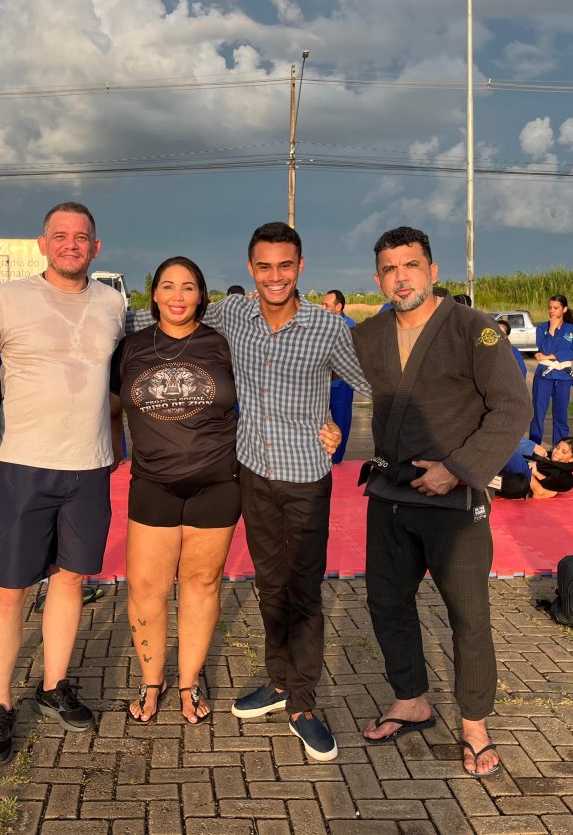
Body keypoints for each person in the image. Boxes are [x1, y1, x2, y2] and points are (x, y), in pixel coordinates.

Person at [351, 226, 531, 778]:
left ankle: (474, 724)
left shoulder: (472, 329)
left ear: (432, 271)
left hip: (454, 499)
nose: (400, 277)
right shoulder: (369, 335)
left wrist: (456, 470)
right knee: (386, 602)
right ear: (378, 279)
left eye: (411, 265)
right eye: (389, 268)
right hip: (390, 492)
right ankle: (411, 700)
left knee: (468, 614)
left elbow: (512, 409)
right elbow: (313, 377)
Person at [201, 222, 369, 763]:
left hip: (305, 478)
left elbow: (371, 383)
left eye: (285, 265)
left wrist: (340, 428)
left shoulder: (328, 327)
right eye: (265, 266)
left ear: (301, 267)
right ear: (251, 269)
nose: (275, 276)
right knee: (270, 585)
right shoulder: (232, 315)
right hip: (253, 471)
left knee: (303, 590)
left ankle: (302, 703)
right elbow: (175, 318)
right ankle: (278, 681)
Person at [0, 201, 124, 765]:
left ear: (96, 247)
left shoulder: (113, 303)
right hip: (23, 465)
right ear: (42, 244)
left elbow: (120, 381)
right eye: (59, 236)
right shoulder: (8, 299)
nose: (70, 245)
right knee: (10, 589)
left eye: (80, 237)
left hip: (89, 467)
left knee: (70, 581)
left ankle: (54, 686)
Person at [110, 257, 240, 725]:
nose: (178, 296)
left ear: (201, 295)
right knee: (147, 587)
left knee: (202, 583)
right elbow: (109, 404)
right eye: (168, 286)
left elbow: (268, 393)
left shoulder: (223, 344)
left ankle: (188, 682)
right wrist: (113, 449)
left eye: (188, 287)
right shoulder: (130, 347)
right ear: (155, 295)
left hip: (217, 483)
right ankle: (152, 681)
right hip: (153, 483)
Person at [529, 295, 573, 445]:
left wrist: (551, 356)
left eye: (556, 308)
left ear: (564, 309)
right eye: (550, 308)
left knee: (561, 414)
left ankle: (559, 447)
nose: (552, 311)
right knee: (538, 413)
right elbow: (544, 348)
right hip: (544, 374)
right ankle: (534, 447)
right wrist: (551, 329)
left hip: (563, 376)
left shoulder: (571, 330)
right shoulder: (542, 328)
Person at [322, 289, 357, 465]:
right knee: (317, 419)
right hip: (321, 383)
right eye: (322, 304)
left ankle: (336, 459)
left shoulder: (349, 326)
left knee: (341, 420)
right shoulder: (320, 324)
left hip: (341, 383)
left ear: (338, 307)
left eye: (327, 305)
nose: (323, 308)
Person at [495, 437, 573, 499]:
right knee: (513, 453)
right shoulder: (544, 454)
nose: (557, 452)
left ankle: (488, 480)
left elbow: (558, 484)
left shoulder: (567, 478)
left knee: (519, 485)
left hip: (522, 480)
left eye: (564, 452)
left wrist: (536, 474)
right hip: (518, 468)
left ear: (572, 459)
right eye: (557, 447)